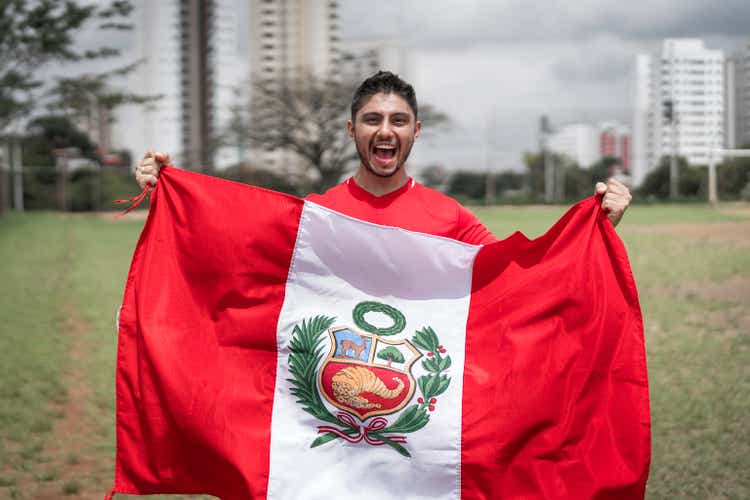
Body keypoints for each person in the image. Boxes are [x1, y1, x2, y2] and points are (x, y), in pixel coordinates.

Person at [134, 71, 632, 242]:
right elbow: (233, 251)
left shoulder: (450, 218)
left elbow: (521, 279)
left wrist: (597, 226)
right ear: (352, 130)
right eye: (372, 120)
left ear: (417, 132)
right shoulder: (318, 214)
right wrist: (167, 195)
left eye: (398, 121)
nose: (385, 130)